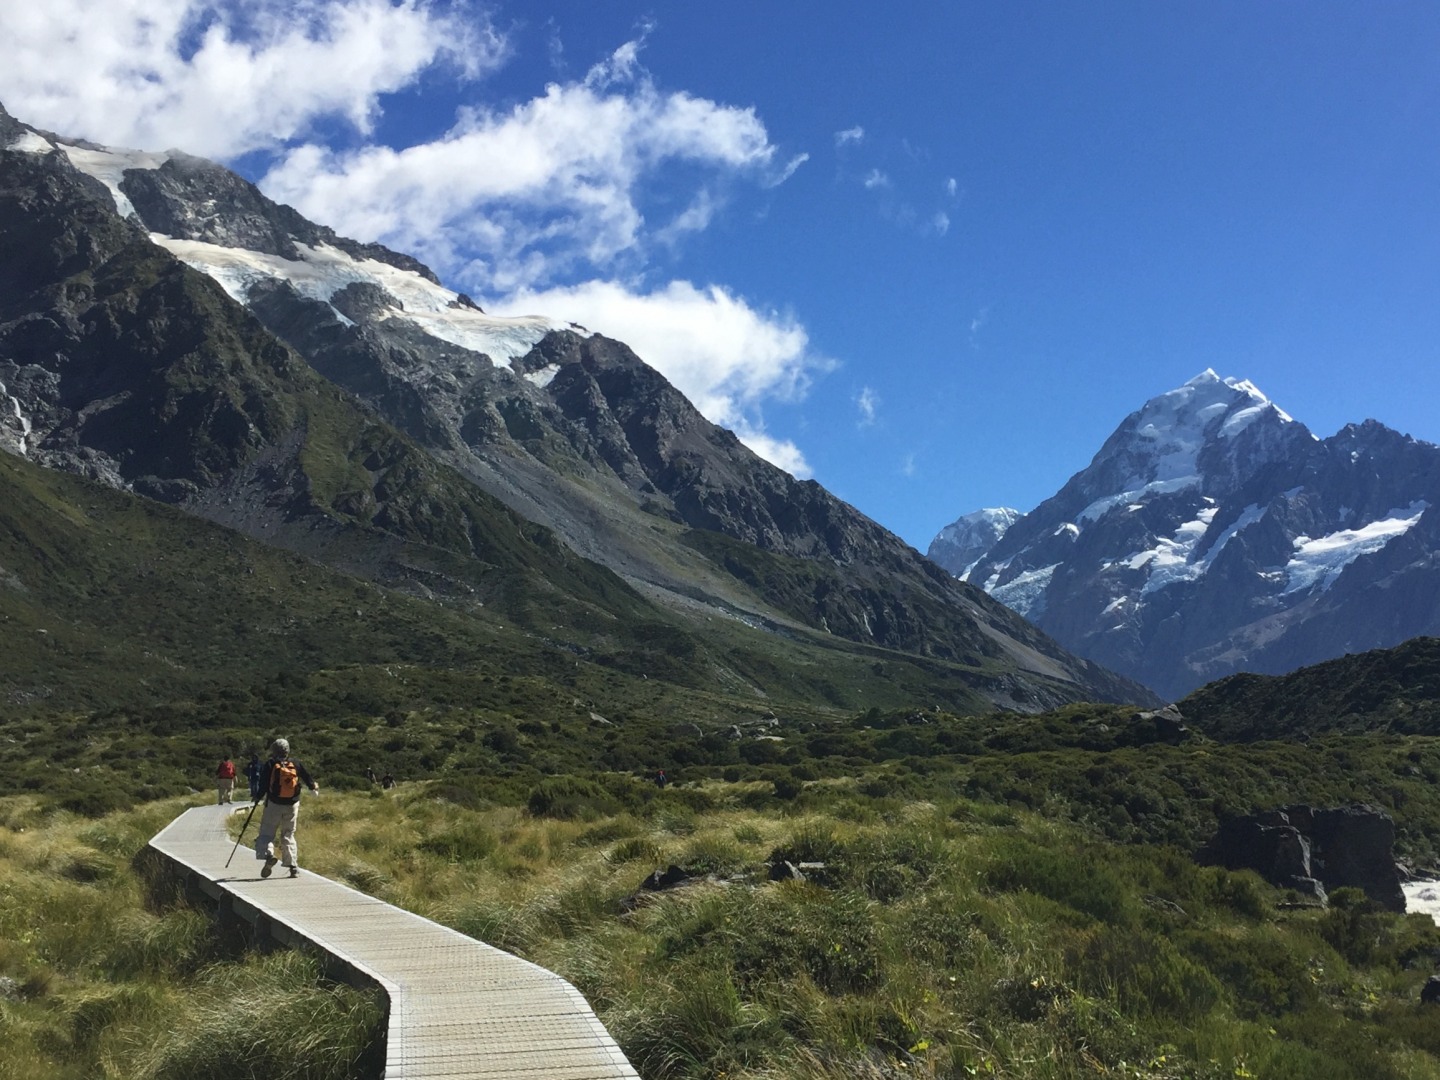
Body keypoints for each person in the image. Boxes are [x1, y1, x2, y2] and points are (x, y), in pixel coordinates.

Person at [253, 738, 319, 879]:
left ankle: (269, 854)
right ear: (287, 750)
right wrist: (313, 788)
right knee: (288, 834)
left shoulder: (271, 764)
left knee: (267, 833)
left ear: (273, 750)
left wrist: (258, 796)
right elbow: (308, 778)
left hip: (274, 804)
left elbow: (263, 784)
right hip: (292, 804)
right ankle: (293, 867)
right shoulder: (295, 763)